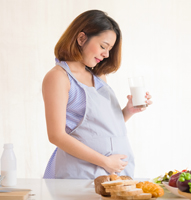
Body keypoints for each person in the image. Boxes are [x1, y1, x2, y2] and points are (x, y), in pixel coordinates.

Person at [42, 10, 152, 179]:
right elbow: (56, 135)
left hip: (115, 173)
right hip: (80, 175)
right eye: (103, 46)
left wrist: (128, 111)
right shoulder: (59, 77)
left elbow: (98, 129)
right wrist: (105, 162)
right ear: (81, 39)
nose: (106, 54)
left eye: (109, 49)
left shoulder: (98, 77)